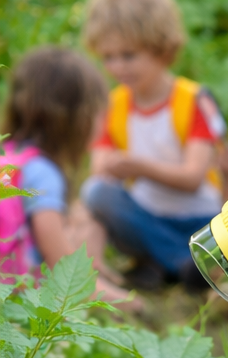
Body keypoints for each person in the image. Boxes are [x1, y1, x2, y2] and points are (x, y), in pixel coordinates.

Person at [81, 0, 227, 291]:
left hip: (199, 219)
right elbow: (99, 175)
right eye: (108, 57)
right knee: (95, 193)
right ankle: (182, 265)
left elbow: (192, 178)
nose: (118, 67)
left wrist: (138, 167)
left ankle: (166, 265)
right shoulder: (113, 105)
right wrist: (113, 166)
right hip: (145, 218)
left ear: (162, 50)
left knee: (212, 233)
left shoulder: (193, 100)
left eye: (129, 55)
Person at [0, 46, 137, 308]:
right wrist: (130, 303)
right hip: (13, 305)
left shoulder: (8, 155)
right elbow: (65, 277)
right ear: (77, 118)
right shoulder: (43, 174)